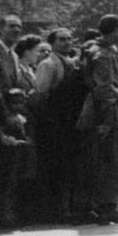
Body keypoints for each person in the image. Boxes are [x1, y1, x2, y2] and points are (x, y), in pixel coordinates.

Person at [33, 28, 91, 224]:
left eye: (69, 39)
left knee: (70, 167)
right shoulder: (48, 64)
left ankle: (69, 207)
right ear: (52, 43)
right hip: (55, 123)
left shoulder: (72, 64)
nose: (67, 42)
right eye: (61, 39)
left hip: (71, 122)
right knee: (56, 168)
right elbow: (41, 95)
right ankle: (56, 210)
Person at [85, 14, 118, 225]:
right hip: (108, 113)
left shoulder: (107, 52)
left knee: (113, 161)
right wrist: (116, 106)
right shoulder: (102, 54)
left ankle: (108, 206)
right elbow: (104, 88)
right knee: (110, 162)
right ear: (115, 30)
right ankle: (107, 208)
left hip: (112, 111)